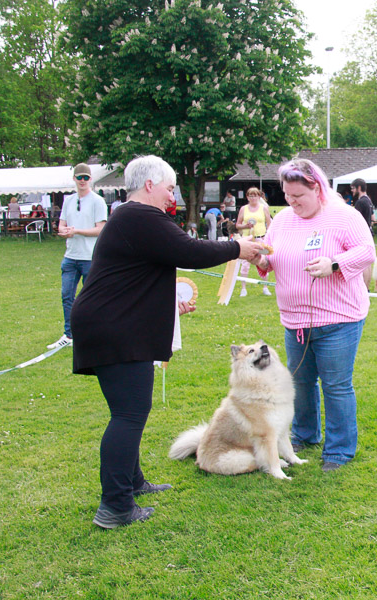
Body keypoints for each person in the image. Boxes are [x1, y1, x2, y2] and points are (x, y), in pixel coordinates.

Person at [70, 155, 262, 529]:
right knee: (128, 416)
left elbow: (143, 273)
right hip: (113, 328)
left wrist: (171, 307)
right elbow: (189, 251)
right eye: (170, 188)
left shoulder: (130, 218)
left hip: (111, 323)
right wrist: (237, 247)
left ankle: (132, 483)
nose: (171, 196)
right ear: (149, 185)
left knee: (128, 414)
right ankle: (115, 507)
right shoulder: (140, 216)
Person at [250, 158, 375, 472]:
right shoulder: (282, 221)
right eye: (287, 197)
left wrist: (334, 264)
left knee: (335, 385)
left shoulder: (344, 215)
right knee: (300, 382)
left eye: (299, 197)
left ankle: (339, 450)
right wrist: (263, 262)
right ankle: (305, 434)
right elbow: (274, 254)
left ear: (317, 188)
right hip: (296, 322)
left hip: (339, 320)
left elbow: (366, 251)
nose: (292, 203)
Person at [47, 164, 108, 350]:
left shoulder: (98, 201)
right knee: (67, 296)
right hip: (70, 257)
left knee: (92, 298)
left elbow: (101, 229)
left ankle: (95, 334)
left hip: (90, 258)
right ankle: (69, 334)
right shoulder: (68, 201)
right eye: (79, 177)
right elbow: (61, 225)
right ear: (74, 179)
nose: (82, 181)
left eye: (85, 177)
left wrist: (77, 231)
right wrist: (64, 231)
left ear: (90, 179)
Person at [235, 186, 273, 297]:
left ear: (259, 196)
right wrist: (245, 225)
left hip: (260, 238)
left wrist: (268, 236)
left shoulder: (264, 208)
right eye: (250, 195)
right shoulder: (243, 209)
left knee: (264, 262)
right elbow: (237, 225)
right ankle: (243, 288)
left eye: (255, 195)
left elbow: (269, 223)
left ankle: (265, 287)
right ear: (247, 197)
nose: (253, 198)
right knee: (245, 263)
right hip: (247, 238)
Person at [350, 178, 374, 287]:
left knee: (363, 263)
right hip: (369, 232)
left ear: (359, 188)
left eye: (353, 188)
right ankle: (367, 287)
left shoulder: (360, 202)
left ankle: (364, 287)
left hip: (361, 235)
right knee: (368, 263)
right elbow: (373, 218)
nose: (352, 191)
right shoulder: (369, 200)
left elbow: (355, 221)